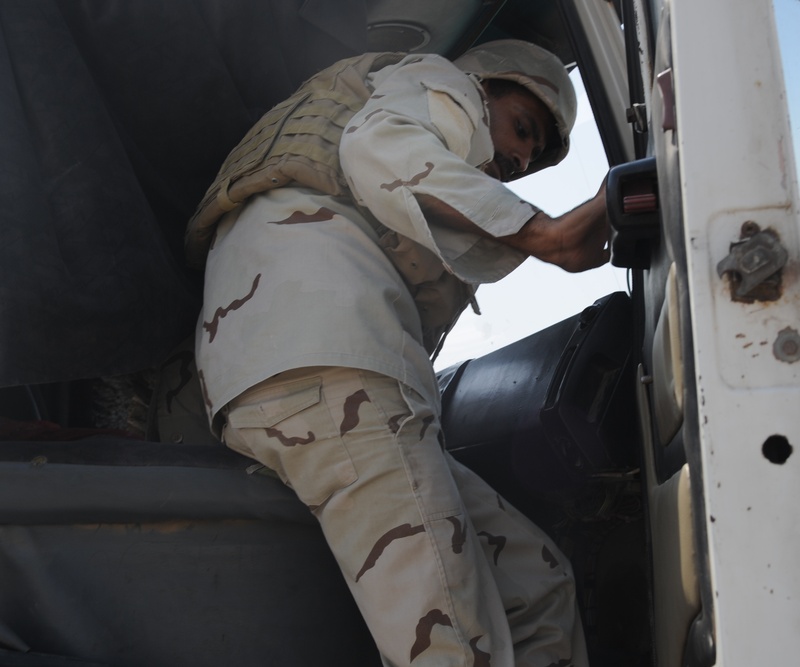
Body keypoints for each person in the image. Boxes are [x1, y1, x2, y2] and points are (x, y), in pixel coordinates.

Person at [187, 39, 609, 667]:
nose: (519, 157)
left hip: (323, 381)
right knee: (451, 650)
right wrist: (541, 233)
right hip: (328, 367)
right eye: (522, 128)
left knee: (538, 586)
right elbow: (377, 146)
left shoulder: (442, 147)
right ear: (484, 87)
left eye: (529, 160)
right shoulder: (439, 84)